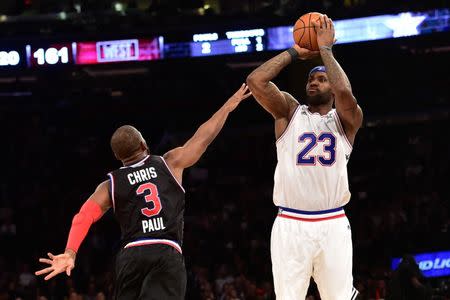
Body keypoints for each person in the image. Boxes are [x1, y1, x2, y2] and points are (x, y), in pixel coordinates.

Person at [35, 84, 252, 299]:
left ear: (119, 157)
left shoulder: (110, 184)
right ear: (144, 144)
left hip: (131, 256)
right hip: (166, 251)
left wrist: (70, 252)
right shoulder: (170, 163)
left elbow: (83, 217)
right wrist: (228, 107)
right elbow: (203, 137)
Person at [246, 14, 363, 300]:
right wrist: (294, 52)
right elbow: (255, 80)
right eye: (312, 78)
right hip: (290, 223)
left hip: (332, 223)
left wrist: (325, 50)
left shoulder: (348, 119)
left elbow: (345, 90)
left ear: (331, 90)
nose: (315, 83)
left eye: (322, 79)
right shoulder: (289, 112)